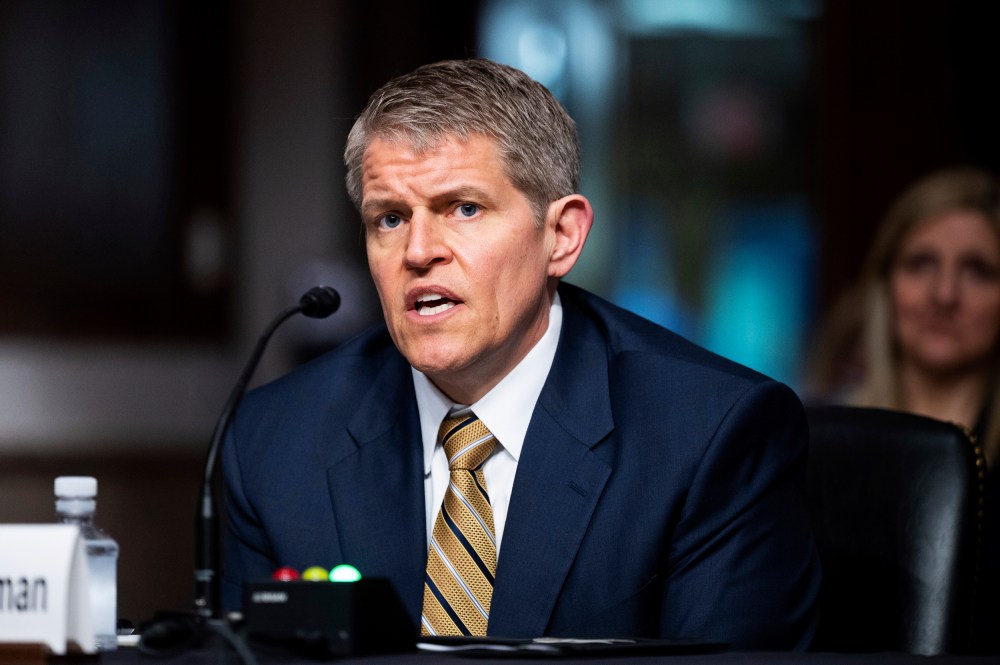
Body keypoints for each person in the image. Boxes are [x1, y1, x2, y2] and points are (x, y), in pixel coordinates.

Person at [221, 58, 820, 649]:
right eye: (391, 218)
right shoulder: (273, 440)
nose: (419, 251)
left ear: (561, 236)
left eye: (464, 208)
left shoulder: (709, 433)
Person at [809, 166, 1000, 652]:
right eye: (920, 264)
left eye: (978, 270)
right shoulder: (815, 441)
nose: (944, 295)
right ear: (885, 284)